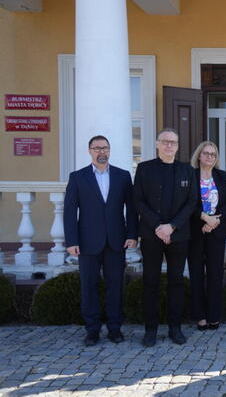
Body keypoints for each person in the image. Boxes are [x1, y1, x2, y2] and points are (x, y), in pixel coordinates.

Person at [63, 135, 138, 346]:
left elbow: (131, 210)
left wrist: (132, 234)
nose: (101, 152)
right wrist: (71, 241)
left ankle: (115, 329)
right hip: (87, 242)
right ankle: (92, 330)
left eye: (104, 148)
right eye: (97, 148)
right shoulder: (78, 177)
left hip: (116, 241)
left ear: (110, 150)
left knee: (116, 286)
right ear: (90, 151)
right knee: (89, 286)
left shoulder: (123, 177)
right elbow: (70, 212)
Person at [134, 128, 196, 347]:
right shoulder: (144, 169)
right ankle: (150, 329)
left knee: (176, 282)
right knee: (150, 282)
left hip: (179, 235)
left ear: (178, 147)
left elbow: (191, 203)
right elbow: (138, 201)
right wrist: (159, 227)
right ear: (157, 144)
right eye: (165, 142)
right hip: (151, 235)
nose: (169, 145)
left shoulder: (187, 171)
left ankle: (174, 328)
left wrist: (171, 227)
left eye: (173, 142)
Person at [188, 141, 226, 331]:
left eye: (213, 154)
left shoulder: (221, 176)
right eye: (206, 153)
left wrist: (214, 221)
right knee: (196, 274)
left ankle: (214, 316)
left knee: (215, 274)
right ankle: (200, 317)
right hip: (194, 231)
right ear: (199, 155)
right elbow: (187, 202)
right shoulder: (189, 175)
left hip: (217, 231)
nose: (209, 157)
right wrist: (204, 219)